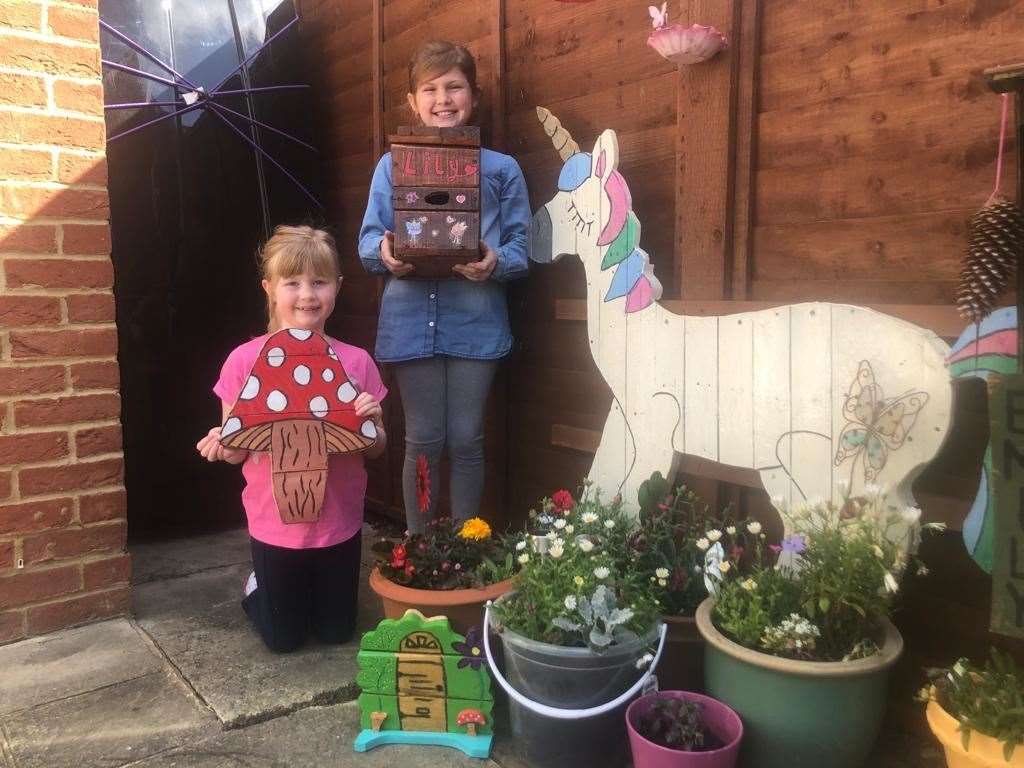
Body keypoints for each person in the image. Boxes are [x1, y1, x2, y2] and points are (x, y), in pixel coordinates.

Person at [358, 40, 530, 534]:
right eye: (429, 89)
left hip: (477, 323)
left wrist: (496, 263)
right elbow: (369, 238)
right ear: (413, 102)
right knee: (423, 439)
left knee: (467, 438)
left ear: (472, 96)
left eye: (454, 86)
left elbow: (522, 246)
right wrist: (384, 254)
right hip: (411, 324)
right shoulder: (391, 167)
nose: (443, 98)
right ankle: (417, 547)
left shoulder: (502, 169)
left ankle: (465, 546)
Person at [196, 225, 387, 653]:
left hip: (339, 523)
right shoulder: (243, 360)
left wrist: (372, 423)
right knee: (284, 640)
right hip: (274, 525)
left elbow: (376, 449)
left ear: (337, 287)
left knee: (338, 632)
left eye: (319, 282)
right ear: (269, 289)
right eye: (293, 282)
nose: (307, 295)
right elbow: (235, 451)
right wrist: (223, 441)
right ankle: (257, 586)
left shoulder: (357, 362)